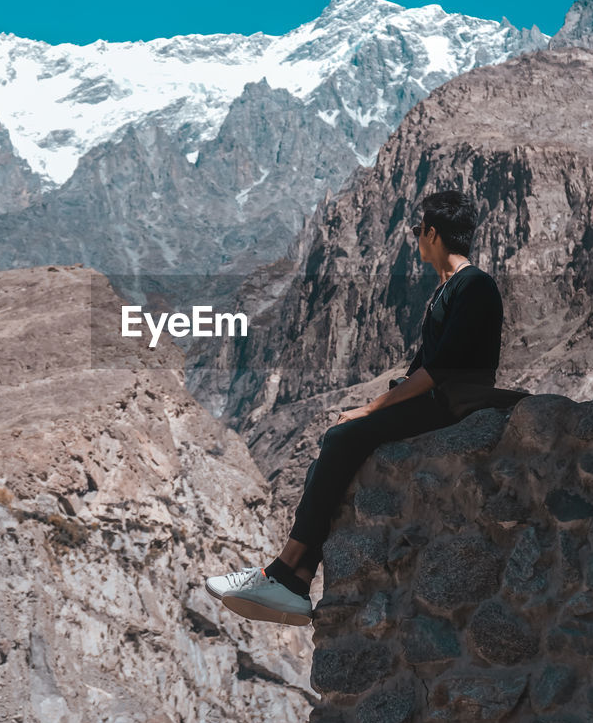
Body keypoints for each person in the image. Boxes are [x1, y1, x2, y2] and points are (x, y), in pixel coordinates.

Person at [205, 189, 504, 625]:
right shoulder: (448, 290)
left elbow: (437, 372)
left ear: (434, 233)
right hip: (440, 399)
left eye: (419, 230)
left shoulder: (474, 285)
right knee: (342, 439)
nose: (417, 238)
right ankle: (297, 577)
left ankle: (283, 571)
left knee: (345, 436)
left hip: (454, 403)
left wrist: (369, 411)